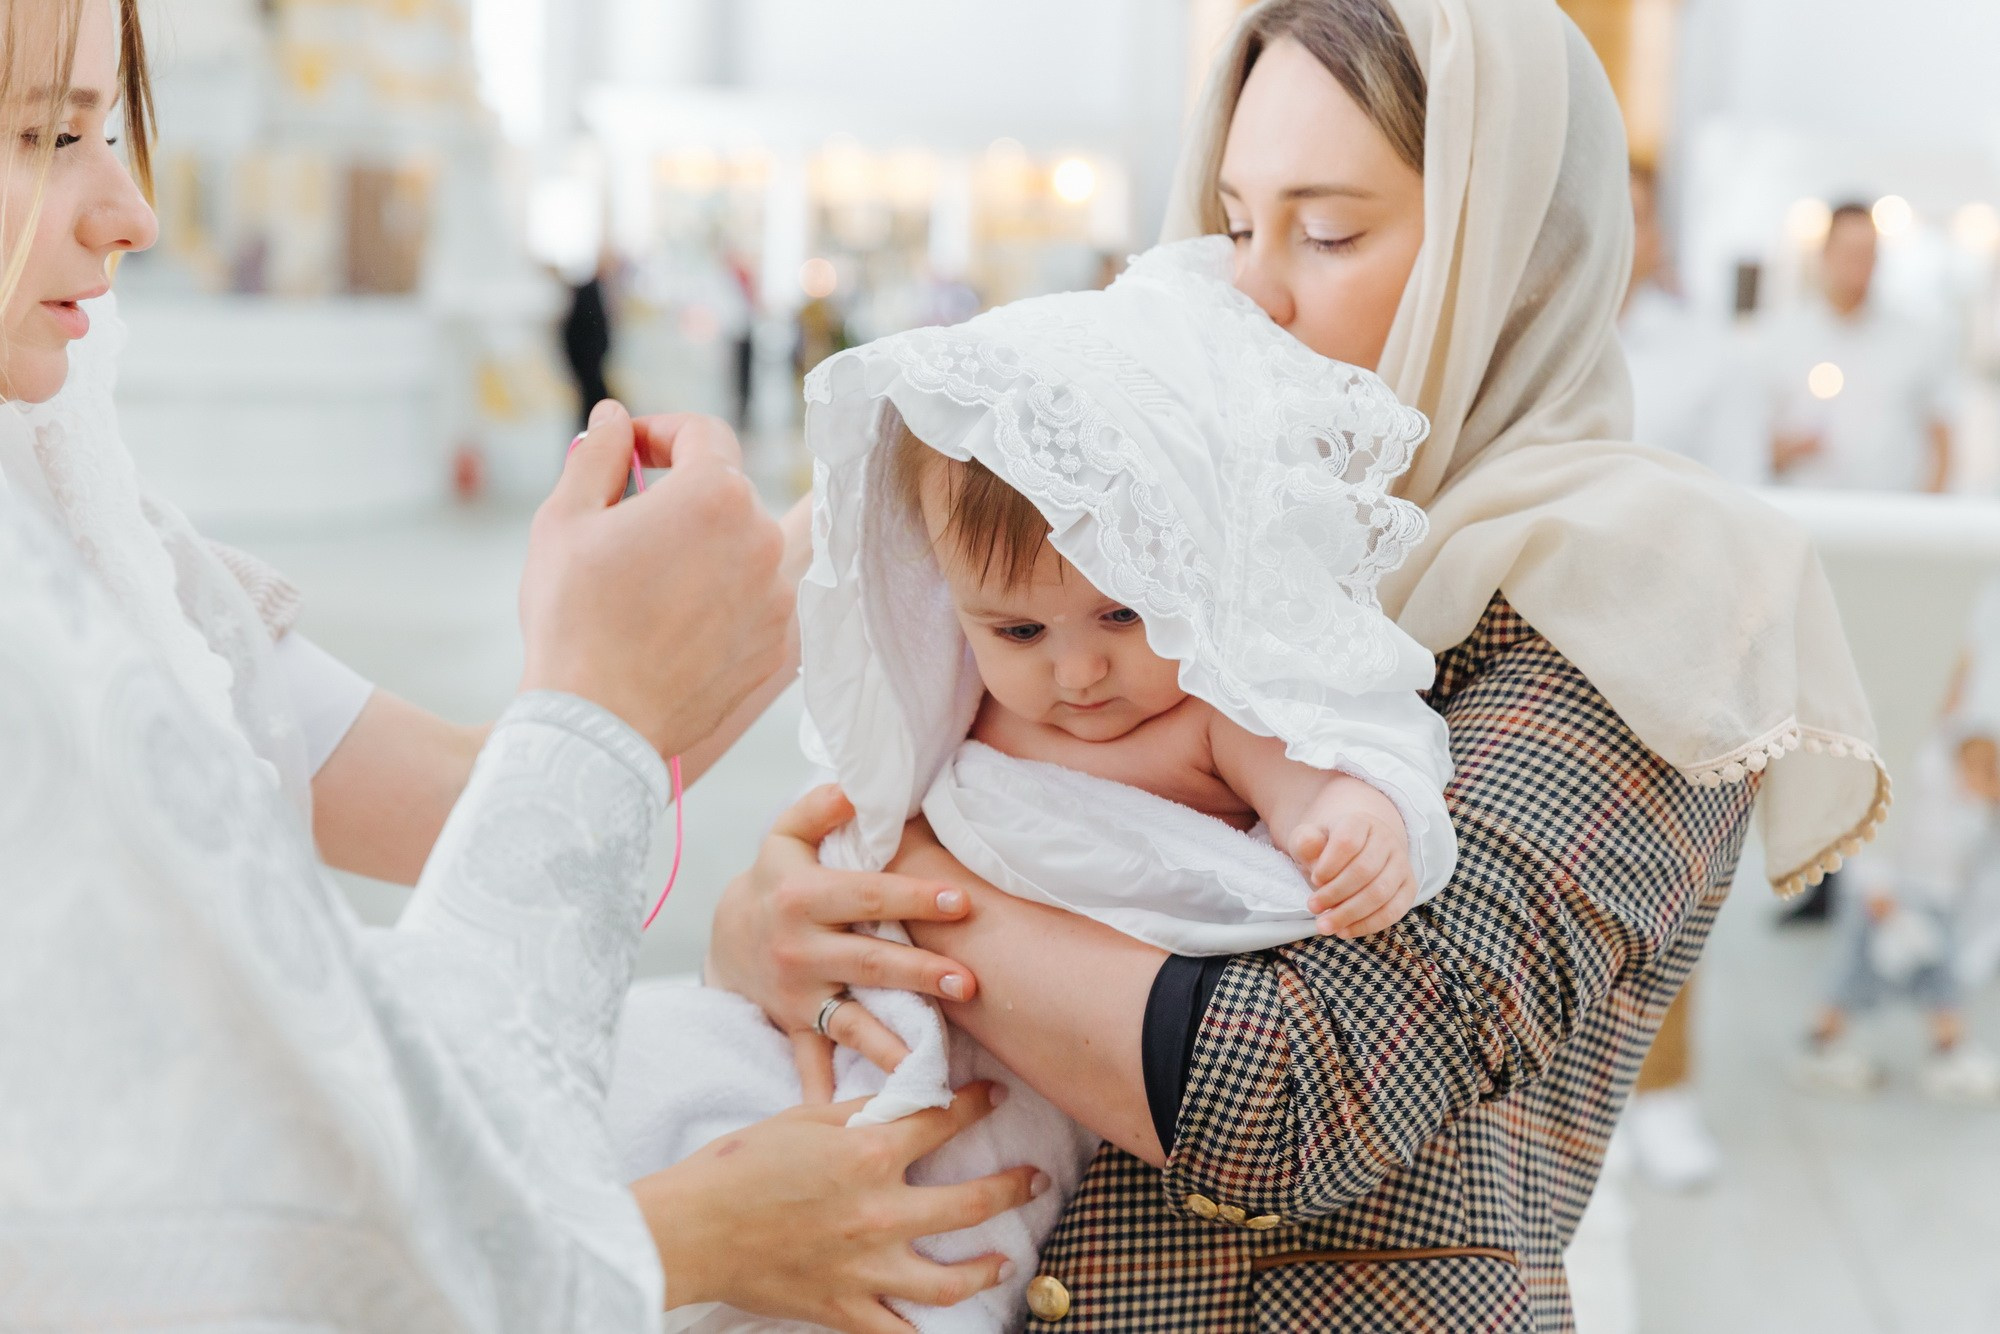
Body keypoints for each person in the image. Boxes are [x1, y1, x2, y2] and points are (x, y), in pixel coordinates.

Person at [695, 1, 1889, 1328]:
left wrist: (902, 878)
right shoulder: (1157, 531)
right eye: (1232, 219)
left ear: (1511, 257)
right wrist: (769, 924)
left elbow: (1306, 1090)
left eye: (1327, 232)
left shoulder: (1645, 579)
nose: (1249, 287)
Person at [0, 3, 1040, 1330]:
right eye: (49, 135)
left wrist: (829, 547)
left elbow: (483, 807)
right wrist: (694, 1231)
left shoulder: (86, 520)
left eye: (108, 126)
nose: (131, 208)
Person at [610, 239, 1458, 1330]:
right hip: (862, 1001)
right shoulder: (962, 691)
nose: (1074, 670)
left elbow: (1321, 786)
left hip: (1008, 1061)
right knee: (656, 1083)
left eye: (1121, 612)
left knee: (923, 1239)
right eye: (1015, 627)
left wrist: (1354, 823)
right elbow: (862, 801)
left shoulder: (1211, 710)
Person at [1615, 160, 1737, 1192]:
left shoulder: (1705, 358)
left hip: (1672, 652)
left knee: (1673, 888)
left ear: (1657, 236)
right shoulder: (1516, 345)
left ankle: (1665, 1093)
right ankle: (1583, 1100)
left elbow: (1740, 517)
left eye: (1634, 213)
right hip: (1539, 653)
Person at [1764, 201, 1955, 493]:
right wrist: (1788, 449)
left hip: (1890, 517)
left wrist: (1925, 512)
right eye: (1848, 254)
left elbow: (1942, 435)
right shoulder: (1782, 339)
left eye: (1867, 254)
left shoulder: (1914, 340)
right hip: (1805, 512)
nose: (1858, 266)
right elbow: (1751, 443)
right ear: (1825, 254)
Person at [1620, 162, 1767, 488]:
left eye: (1628, 217)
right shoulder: (1526, 346)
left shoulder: (1713, 358)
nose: (1608, 231)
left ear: (1657, 240)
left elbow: (1740, 491)